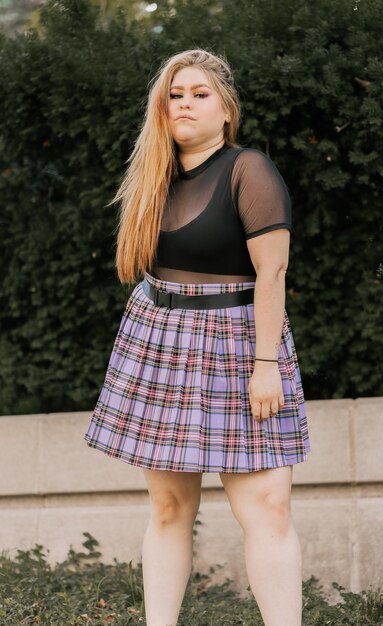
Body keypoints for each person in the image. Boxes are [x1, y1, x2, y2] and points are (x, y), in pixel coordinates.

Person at [84, 48, 311, 626]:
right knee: (168, 507)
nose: (184, 103)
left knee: (267, 506)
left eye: (199, 94)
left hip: (241, 342)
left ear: (226, 109)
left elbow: (273, 272)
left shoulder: (248, 169)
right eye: (175, 95)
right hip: (160, 340)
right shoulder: (152, 177)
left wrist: (266, 364)